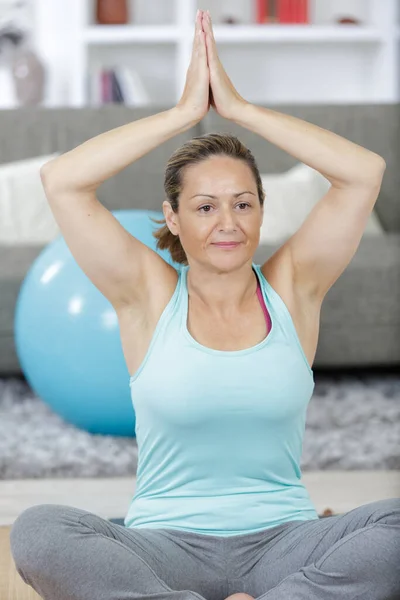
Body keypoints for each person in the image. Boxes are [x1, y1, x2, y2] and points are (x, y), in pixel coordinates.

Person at [10, 9, 399, 600]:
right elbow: (63, 180)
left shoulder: (295, 288)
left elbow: (363, 172)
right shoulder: (147, 292)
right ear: (172, 217)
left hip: (284, 544)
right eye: (205, 206)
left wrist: (239, 108)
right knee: (38, 532)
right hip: (164, 548)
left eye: (243, 204)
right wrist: (183, 114)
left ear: (262, 212)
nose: (227, 223)